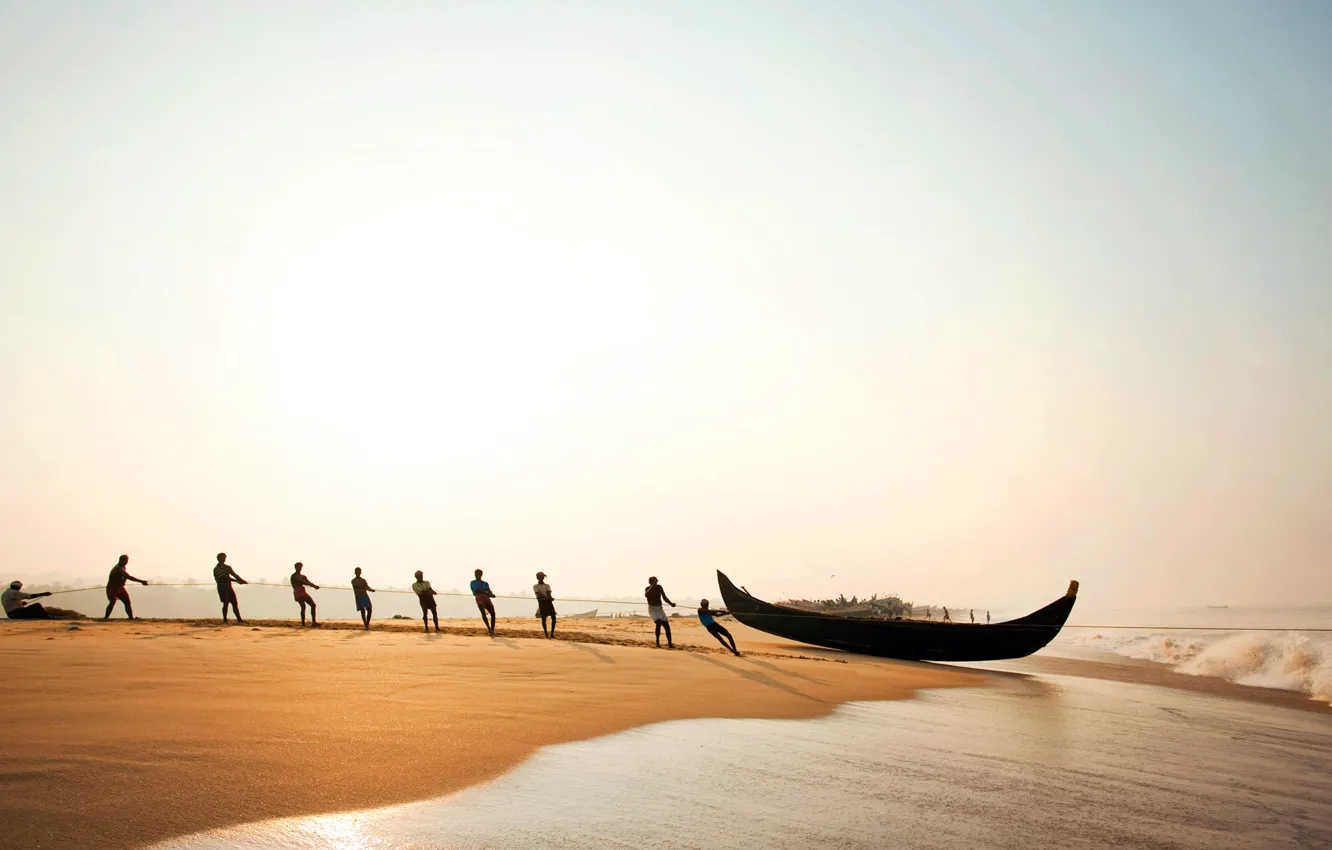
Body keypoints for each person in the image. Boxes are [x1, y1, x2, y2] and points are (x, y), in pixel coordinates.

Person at [104, 554, 149, 620]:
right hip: (112, 588)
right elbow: (129, 577)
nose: (126, 562)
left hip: (120, 587)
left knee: (127, 602)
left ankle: (131, 618)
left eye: (127, 560)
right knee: (112, 601)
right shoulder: (117, 569)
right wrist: (141, 581)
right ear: (120, 560)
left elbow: (125, 577)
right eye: (124, 560)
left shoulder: (123, 567)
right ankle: (105, 618)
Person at [213, 553, 248, 624]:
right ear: (218, 559)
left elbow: (234, 575)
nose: (223, 559)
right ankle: (225, 619)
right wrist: (237, 581)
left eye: (224, 558)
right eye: (222, 558)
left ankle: (239, 619)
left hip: (229, 587)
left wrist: (241, 580)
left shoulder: (228, 567)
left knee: (234, 603)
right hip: (222, 587)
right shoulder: (216, 569)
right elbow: (224, 578)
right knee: (225, 603)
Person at [644, 576, 676, 648]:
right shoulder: (647, 589)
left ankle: (670, 643)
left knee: (667, 626)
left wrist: (671, 604)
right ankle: (657, 642)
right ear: (650, 583)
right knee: (658, 623)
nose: (656, 583)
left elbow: (664, 597)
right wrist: (652, 586)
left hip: (660, 609)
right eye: (654, 582)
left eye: (656, 582)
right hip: (652, 609)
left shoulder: (659, 587)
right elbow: (646, 595)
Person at [290, 562, 320, 627]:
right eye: (298, 567)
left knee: (313, 605)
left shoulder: (303, 576)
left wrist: (314, 586)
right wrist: (313, 586)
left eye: (301, 567)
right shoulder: (293, 576)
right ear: (295, 567)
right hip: (298, 592)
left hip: (303, 592)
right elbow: (303, 582)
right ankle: (303, 624)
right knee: (303, 606)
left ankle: (314, 622)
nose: (300, 568)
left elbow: (308, 582)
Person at [470, 569, 496, 635]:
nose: (476, 575)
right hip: (479, 598)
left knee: (493, 613)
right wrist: (487, 593)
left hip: (486, 599)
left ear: (481, 575)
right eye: (475, 574)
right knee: (483, 613)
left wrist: (491, 594)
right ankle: (489, 628)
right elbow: (476, 590)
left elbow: (489, 591)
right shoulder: (472, 582)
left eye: (478, 574)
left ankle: (492, 629)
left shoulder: (485, 583)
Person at [533, 571, 556, 638]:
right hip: (542, 603)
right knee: (544, 619)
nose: (541, 578)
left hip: (548, 602)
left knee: (553, 617)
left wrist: (550, 598)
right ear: (537, 578)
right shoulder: (535, 586)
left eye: (542, 577)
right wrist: (547, 598)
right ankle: (546, 634)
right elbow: (539, 594)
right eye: (540, 577)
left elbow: (549, 593)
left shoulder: (547, 585)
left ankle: (552, 634)